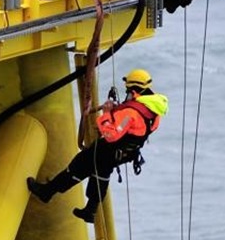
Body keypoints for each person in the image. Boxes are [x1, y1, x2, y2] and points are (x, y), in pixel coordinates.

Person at [26, 69, 168, 223]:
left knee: (78, 166)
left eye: (128, 90)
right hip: (126, 153)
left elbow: (111, 135)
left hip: (110, 150)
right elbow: (135, 128)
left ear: (133, 91)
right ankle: (90, 210)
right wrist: (118, 111)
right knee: (101, 174)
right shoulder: (154, 109)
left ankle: (47, 191)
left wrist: (107, 114)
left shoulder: (130, 113)